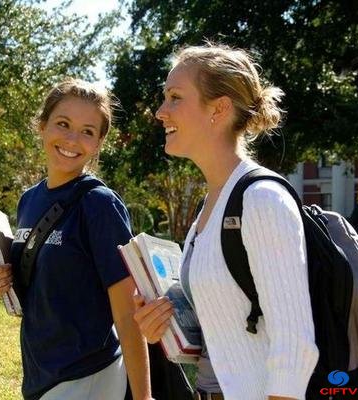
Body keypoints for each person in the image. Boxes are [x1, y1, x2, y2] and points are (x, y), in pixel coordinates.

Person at [133, 43, 319, 400]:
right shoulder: (212, 204)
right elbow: (227, 326)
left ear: (219, 108)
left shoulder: (262, 200)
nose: (160, 112)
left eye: (175, 98)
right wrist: (165, 323)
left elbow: (294, 346)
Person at [0, 78, 151, 400]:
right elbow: (36, 287)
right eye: (63, 124)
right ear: (42, 126)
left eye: (88, 131)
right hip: (40, 374)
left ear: (98, 143)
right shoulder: (29, 200)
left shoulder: (100, 205)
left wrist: (143, 397)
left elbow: (127, 311)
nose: (73, 139)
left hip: (89, 374)